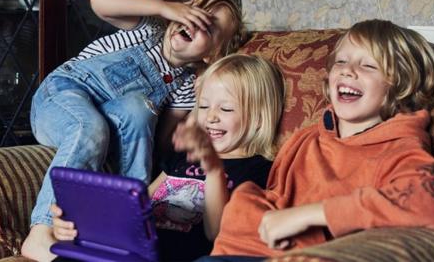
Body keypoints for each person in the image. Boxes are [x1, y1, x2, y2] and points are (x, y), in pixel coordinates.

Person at [21, 0, 245, 260]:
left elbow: (157, 143)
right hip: (58, 98)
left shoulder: (186, 86)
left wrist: (204, 79)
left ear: (213, 53)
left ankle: (127, 228)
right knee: (91, 126)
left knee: (141, 109)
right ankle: (41, 231)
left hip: (107, 124)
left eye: (206, 27)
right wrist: (164, 8)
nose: (192, 22)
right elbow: (99, 2)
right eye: (192, 11)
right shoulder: (147, 31)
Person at [204, 19, 434, 260]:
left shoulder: (400, 147)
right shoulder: (305, 139)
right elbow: (274, 201)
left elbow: (428, 203)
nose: (347, 70)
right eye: (341, 61)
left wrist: (312, 215)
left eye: (368, 66)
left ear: (399, 85)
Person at [50, 54, 286, 261]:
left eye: (225, 109)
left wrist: (214, 169)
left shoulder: (259, 171)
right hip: (134, 250)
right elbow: (141, 204)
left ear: (258, 117)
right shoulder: (183, 157)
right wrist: (86, 221)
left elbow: (217, 234)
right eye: (203, 107)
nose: (211, 117)